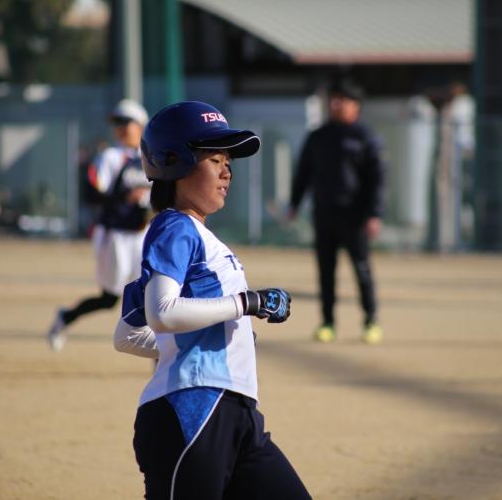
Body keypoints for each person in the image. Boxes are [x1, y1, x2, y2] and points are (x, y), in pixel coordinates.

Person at [114, 101, 311, 500]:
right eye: (215, 160)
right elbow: (162, 313)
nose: (227, 172)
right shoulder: (175, 226)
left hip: (237, 414)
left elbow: (126, 335)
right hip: (194, 411)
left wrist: (209, 341)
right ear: (175, 163)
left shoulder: (196, 237)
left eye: (228, 163)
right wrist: (246, 303)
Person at [47, 99, 151, 351]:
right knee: (109, 299)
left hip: (143, 235)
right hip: (115, 235)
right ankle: (65, 317)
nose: (120, 128)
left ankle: (160, 360)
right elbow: (92, 195)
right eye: (117, 123)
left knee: (152, 296)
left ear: (141, 125)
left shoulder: (151, 157)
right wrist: (124, 197)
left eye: (126, 122)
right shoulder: (110, 157)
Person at [288, 80, 386, 345]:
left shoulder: (366, 137)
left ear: (356, 105)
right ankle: (327, 322)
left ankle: (371, 321)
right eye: (333, 99)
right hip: (324, 213)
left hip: (355, 216)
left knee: (362, 269)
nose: (335, 104)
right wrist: (294, 204)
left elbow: (377, 179)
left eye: (342, 99)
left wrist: (374, 214)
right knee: (325, 271)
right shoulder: (318, 136)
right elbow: (303, 172)